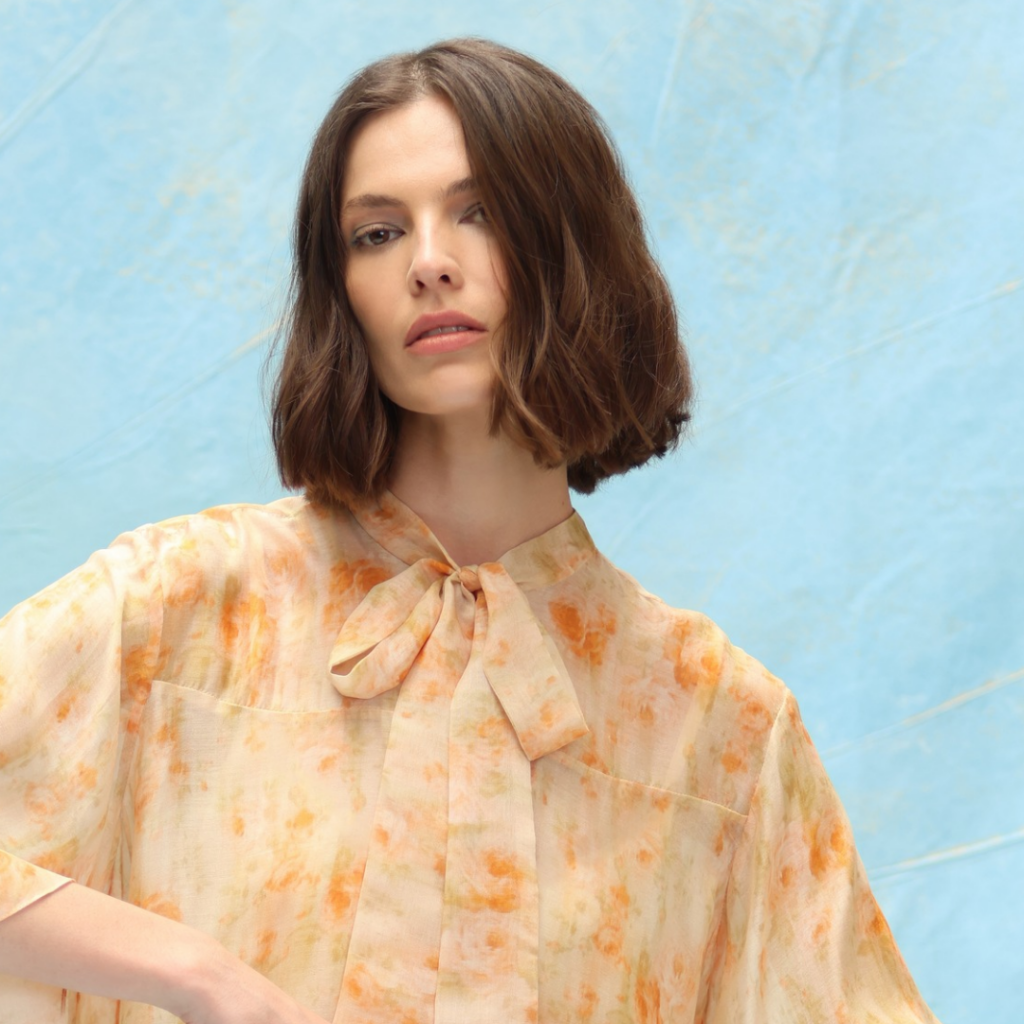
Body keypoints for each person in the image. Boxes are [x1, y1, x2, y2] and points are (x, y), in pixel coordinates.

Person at [0, 37, 939, 1024]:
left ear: (575, 249)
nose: (429, 263)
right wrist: (199, 975)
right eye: (376, 233)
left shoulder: (715, 724)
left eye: (479, 212)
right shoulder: (183, 605)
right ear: (340, 290)